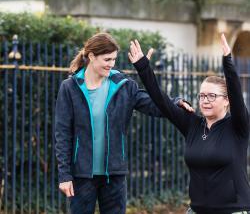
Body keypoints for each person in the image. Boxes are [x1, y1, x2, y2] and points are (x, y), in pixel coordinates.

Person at [55, 32, 192, 214]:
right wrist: (64, 175)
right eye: (107, 59)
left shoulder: (124, 85)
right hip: (82, 176)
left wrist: (176, 103)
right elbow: (62, 133)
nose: (111, 64)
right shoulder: (70, 87)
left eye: (114, 59)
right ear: (91, 57)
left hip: (114, 175)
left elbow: (153, 105)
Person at [128, 33, 250, 214]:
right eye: (202, 96)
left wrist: (227, 62)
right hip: (196, 210)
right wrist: (143, 67)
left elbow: (237, 96)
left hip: (232, 210)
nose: (205, 100)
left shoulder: (238, 126)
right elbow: (162, 102)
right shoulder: (193, 124)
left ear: (227, 101)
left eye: (212, 96)